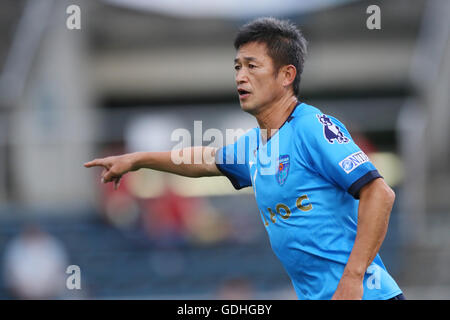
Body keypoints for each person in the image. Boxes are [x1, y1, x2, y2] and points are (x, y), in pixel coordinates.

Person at [84, 17, 404, 300]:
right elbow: (205, 159)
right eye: (237, 66)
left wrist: (352, 278)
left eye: (253, 66)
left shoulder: (311, 127)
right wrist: (138, 159)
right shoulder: (255, 144)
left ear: (286, 76)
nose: (240, 76)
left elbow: (379, 193)